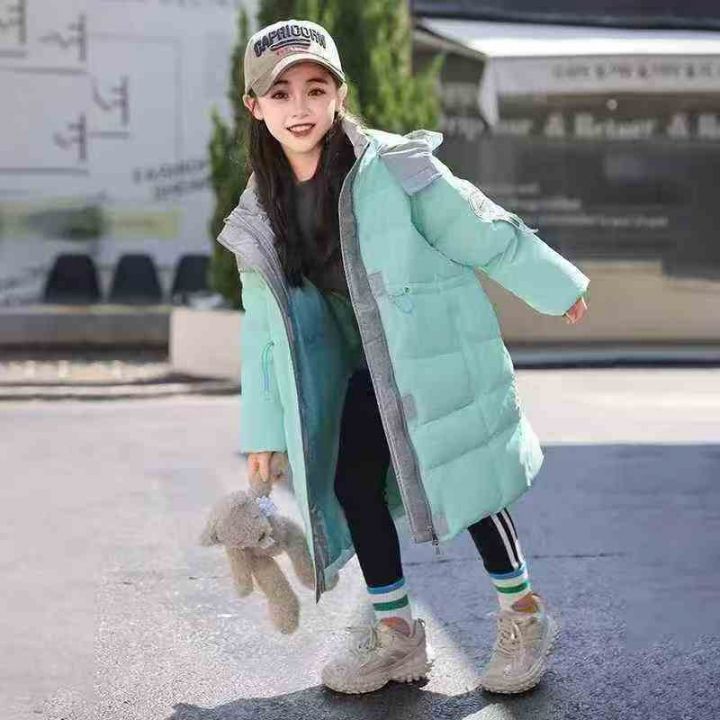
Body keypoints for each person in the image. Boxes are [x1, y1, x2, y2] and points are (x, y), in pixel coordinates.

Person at [217, 18, 589, 696]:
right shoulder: (259, 212)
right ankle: (396, 634)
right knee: (352, 484)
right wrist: (264, 432)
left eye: (316, 89)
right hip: (362, 368)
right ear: (254, 106)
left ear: (339, 95)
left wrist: (554, 284)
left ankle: (525, 616)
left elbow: (476, 227)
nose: (300, 108)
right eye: (281, 93)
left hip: (431, 354)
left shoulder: (393, 166)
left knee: (467, 482)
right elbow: (264, 333)